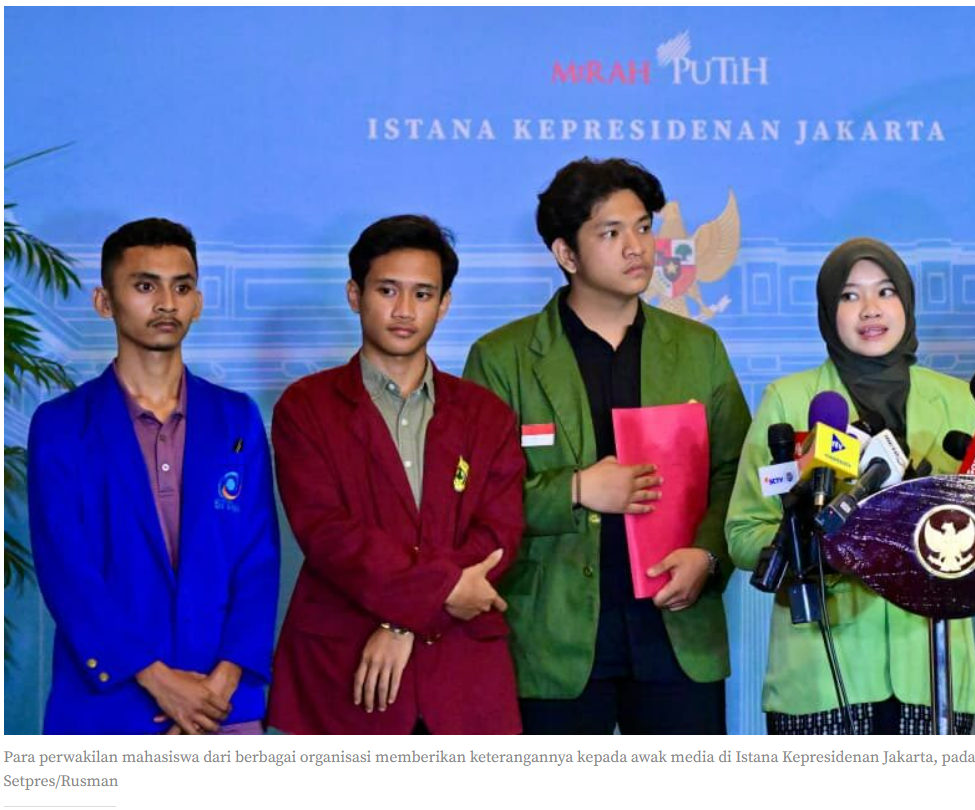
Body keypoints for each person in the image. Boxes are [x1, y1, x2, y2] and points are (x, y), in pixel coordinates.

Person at [463, 157, 751, 734]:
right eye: (610, 233)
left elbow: (736, 474)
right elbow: (473, 496)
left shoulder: (699, 349)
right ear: (566, 254)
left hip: (676, 633)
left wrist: (708, 556)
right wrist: (574, 489)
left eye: (643, 228)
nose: (636, 247)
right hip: (554, 640)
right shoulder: (502, 358)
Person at [267, 215, 525, 734]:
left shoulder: (486, 414)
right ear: (354, 295)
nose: (405, 310)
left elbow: (498, 536)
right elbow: (328, 535)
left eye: (423, 294)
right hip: (343, 670)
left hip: (462, 674)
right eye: (387, 290)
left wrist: (404, 621)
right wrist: (435, 594)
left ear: (444, 304)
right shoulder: (306, 406)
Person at [27, 217, 279, 734]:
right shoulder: (60, 425)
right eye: (145, 286)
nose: (167, 303)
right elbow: (67, 571)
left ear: (198, 302)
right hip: (106, 707)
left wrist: (225, 680)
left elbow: (258, 558)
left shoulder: (237, 417)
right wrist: (158, 679)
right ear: (104, 302)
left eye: (181, 287)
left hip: (222, 706)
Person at [725, 237, 975, 734]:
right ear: (828, 311)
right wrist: (813, 548)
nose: (870, 309)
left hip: (935, 674)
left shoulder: (959, 402)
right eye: (849, 295)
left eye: (886, 291)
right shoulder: (790, 400)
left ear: (906, 301)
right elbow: (742, 532)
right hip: (820, 677)